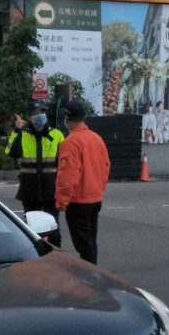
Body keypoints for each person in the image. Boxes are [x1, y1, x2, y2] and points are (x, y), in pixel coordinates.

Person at [54, 98, 110, 264]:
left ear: (67, 118)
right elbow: (106, 167)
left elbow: (68, 176)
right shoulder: (96, 139)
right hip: (95, 198)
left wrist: (61, 201)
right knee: (90, 240)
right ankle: (94, 272)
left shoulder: (70, 143)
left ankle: (91, 277)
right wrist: (99, 188)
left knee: (83, 245)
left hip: (78, 202)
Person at [5, 99, 65, 246]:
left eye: (43, 112)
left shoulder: (56, 135)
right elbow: (11, 152)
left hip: (51, 191)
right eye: (36, 113)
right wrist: (17, 131)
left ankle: (55, 257)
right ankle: (37, 259)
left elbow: (65, 163)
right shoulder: (23, 135)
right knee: (32, 231)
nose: (40, 115)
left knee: (53, 229)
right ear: (29, 117)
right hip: (29, 191)